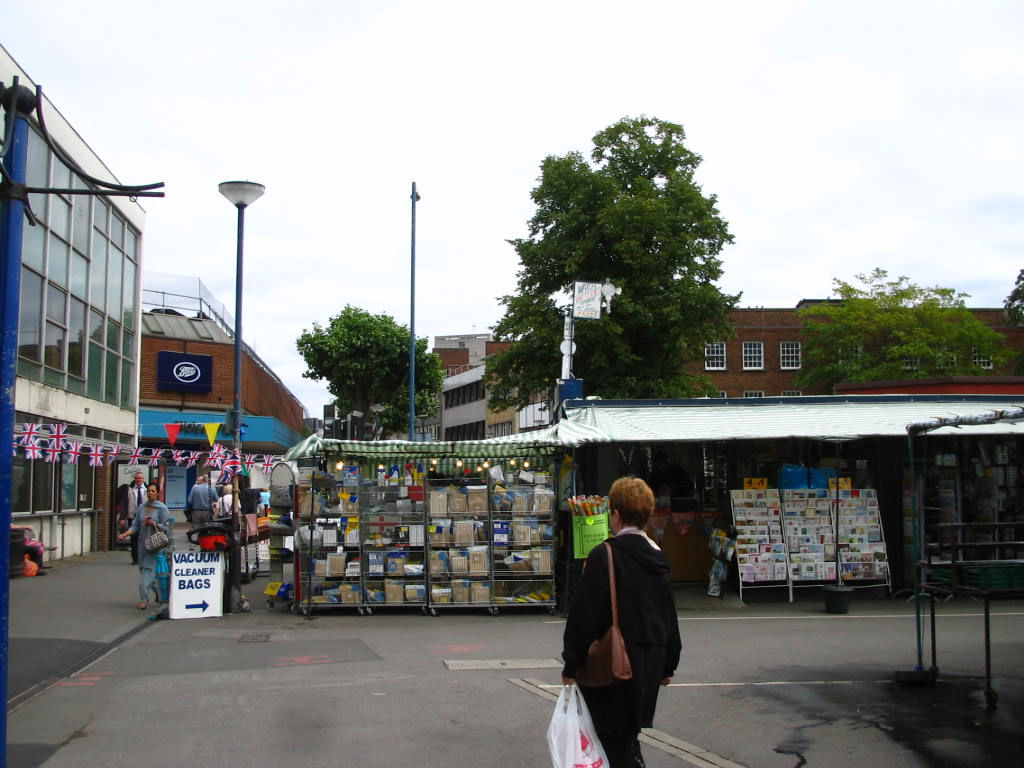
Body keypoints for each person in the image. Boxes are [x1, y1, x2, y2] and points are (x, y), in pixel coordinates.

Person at [561, 477, 682, 768]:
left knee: (612, 740)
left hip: (613, 663)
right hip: (650, 661)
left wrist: (571, 663)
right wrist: (668, 664)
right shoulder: (657, 556)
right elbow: (668, 614)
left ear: (615, 515)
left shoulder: (605, 554)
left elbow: (584, 616)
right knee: (628, 735)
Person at [117, 484, 171, 610]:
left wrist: (153, 524)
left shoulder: (162, 508)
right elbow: (135, 525)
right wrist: (125, 534)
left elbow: (166, 528)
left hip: (155, 545)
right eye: (149, 491)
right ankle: (159, 592)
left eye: (153, 491)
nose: (150, 493)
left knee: (147, 572)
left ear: (157, 493)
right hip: (143, 544)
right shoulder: (142, 507)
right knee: (144, 570)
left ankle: (143, 598)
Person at [125, 471, 149, 564]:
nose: (139, 480)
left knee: (144, 538)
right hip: (133, 517)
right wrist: (124, 516)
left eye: (140, 478)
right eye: (137, 478)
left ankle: (144, 558)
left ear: (143, 479)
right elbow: (125, 503)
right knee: (134, 538)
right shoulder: (130, 490)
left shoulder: (147, 490)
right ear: (134, 479)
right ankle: (135, 559)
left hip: (145, 517)